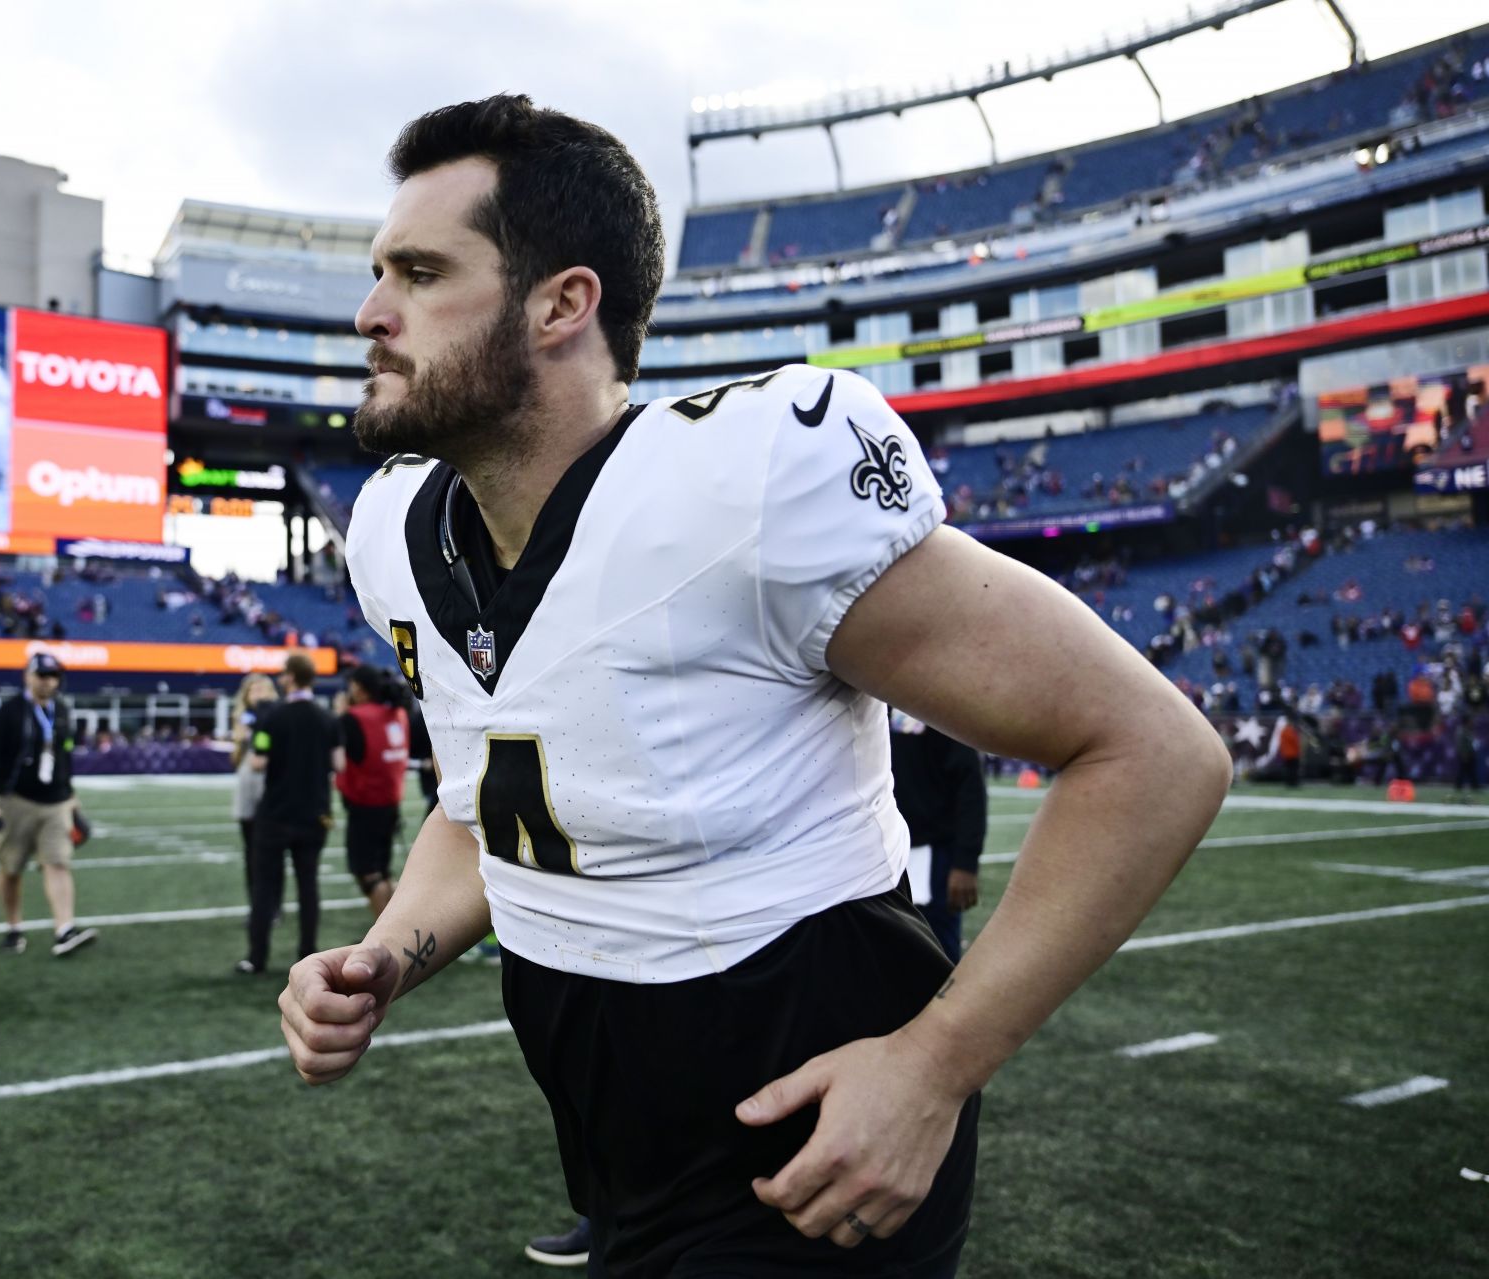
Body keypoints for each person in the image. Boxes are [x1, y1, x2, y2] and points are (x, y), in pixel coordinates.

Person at [278, 95, 1230, 1277]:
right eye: (381, 273)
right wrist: (389, 953)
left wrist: (935, 1064)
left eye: (419, 273)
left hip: (814, 1146)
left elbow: (1152, 749)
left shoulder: (744, 488)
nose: (371, 314)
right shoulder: (397, 535)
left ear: (564, 303)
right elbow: (494, 806)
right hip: (616, 1152)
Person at [0, 652, 97, 957]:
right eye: (41, 675)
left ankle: (64, 930)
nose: (47, 682)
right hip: (16, 799)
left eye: (52, 676)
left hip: (56, 801)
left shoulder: (64, 712)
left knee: (57, 862)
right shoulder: (10, 711)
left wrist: (71, 795)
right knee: (11, 868)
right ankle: (14, 928)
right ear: (27, 676)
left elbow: (65, 756)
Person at [238, 653, 340, 975]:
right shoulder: (328, 719)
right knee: (308, 884)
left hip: (276, 811)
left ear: (292, 677)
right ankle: (308, 953)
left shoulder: (273, 717)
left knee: (264, 886)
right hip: (314, 811)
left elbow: (257, 761)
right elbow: (340, 765)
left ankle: (257, 957)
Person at [888, 711, 988, 963]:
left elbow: (971, 787)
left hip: (932, 851)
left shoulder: (938, 704)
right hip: (877, 847)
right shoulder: (867, 697)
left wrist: (965, 862)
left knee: (937, 952)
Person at [336, 666, 410, 916]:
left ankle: (384, 933)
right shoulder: (397, 713)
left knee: (368, 873)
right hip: (391, 800)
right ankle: (393, 927)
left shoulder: (354, 717)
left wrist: (340, 713)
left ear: (358, 687)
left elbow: (341, 755)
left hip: (365, 802)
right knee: (383, 870)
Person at [229, 672, 281, 898]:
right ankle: (256, 902)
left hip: (272, 785)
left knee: (272, 849)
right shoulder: (243, 719)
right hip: (247, 784)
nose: (259, 694)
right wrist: (241, 739)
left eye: (263, 689)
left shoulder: (278, 716)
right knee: (250, 848)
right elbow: (237, 759)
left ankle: (274, 903)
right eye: (254, 690)